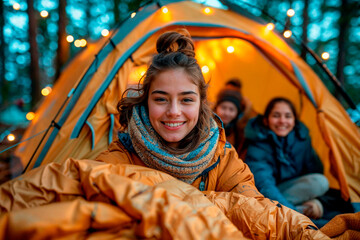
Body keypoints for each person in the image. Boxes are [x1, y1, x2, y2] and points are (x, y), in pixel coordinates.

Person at [244, 97, 330, 220]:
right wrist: (293, 214)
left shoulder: (302, 140)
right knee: (265, 195)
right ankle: (287, 210)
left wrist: (318, 201)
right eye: (276, 115)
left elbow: (314, 171)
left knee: (321, 182)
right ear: (266, 120)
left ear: (294, 120)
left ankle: (283, 208)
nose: (282, 121)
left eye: (288, 116)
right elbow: (263, 184)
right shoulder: (257, 143)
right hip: (263, 194)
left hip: (290, 191)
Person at [214, 80, 256, 155]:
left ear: (237, 113)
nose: (227, 113)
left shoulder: (240, 132)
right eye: (223, 108)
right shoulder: (205, 125)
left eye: (231, 109)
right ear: (216, 107)